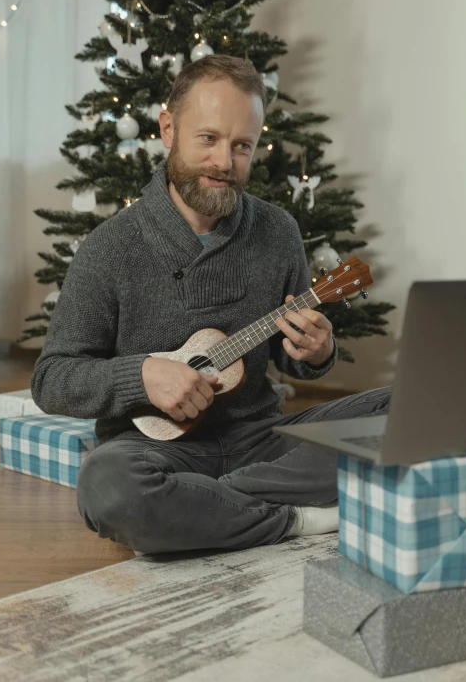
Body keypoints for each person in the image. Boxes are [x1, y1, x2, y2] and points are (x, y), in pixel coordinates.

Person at [31, 54, 391, 556]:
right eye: (208, 139)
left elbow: (291, 360)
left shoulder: (277, 231)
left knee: (404, 408)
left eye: (242, 145)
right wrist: (143, 376)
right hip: (155, 453)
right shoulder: (109, 248)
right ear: (167, 129)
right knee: (107, 485)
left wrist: (315, 351)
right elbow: (52, 380)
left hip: (264, 439)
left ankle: (208, 512)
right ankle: (295, 518)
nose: (225, 162)